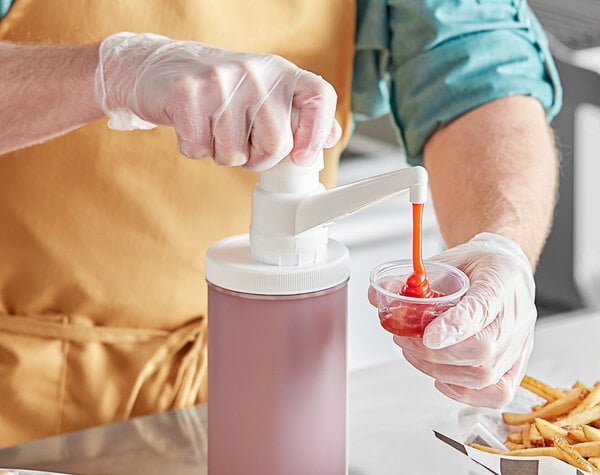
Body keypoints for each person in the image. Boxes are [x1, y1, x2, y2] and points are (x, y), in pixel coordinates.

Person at [0, 0, 561, 446]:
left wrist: (500, 246)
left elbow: (476, 62)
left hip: (254, 384)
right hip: (26, 403)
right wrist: (110, 73)